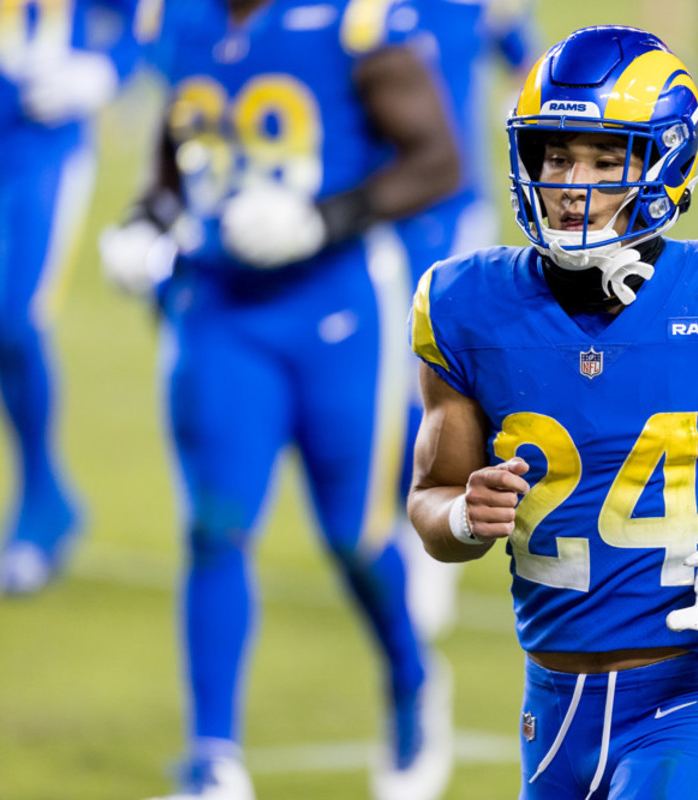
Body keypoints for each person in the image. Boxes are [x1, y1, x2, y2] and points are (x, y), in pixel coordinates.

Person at [406, 25, 698, 799]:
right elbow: (431, 501)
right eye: (556, 156)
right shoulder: (467, 305)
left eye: (604, 160)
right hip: (551, 709)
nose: (570, 183)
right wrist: (465, 515)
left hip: (691, 693)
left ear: (664, 166)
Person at [98, 1, 462, 797]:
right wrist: (146, 220)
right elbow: (179, 156)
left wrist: (323, 219)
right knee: (214, 524)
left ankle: (409, 678)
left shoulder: (355, 21)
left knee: (353, 536)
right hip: (218, 308)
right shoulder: (182, 19)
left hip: (335, 309)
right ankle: (212, 757)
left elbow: (438, 159)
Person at [391, 0, 539, 641]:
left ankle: (426, 548)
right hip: (360, 214)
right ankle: (393, 536)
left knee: (425, 386)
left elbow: (528, 69)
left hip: (446, 210)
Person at [0, 0, 142, 595]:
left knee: (13, 321)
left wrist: (106, 68)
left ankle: (41, 500)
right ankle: (49, 499)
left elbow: (154, 18)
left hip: (38, 146)